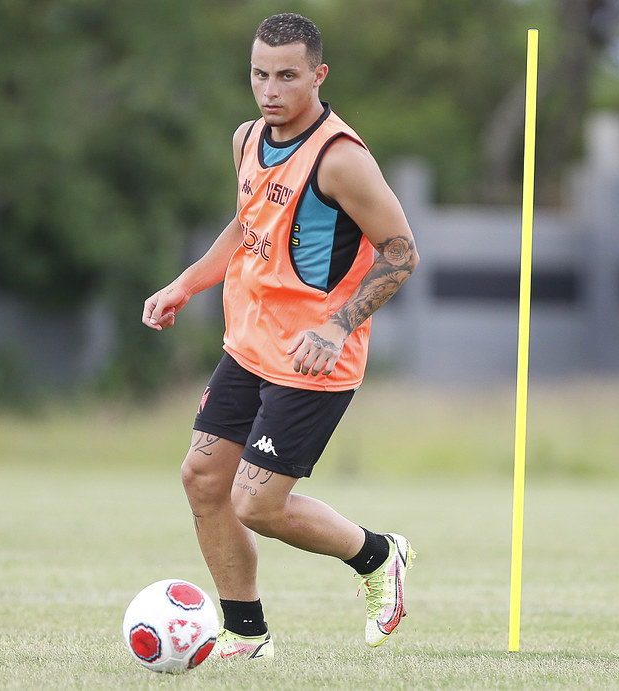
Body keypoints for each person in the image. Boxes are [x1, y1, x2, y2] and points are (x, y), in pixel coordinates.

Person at [142, 12, 419, 658]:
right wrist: (187, 282)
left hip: (313, 359)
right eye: (259, 74)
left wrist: (337, 325)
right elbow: (248, 225)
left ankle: (379, 556)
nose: (270, 89)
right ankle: (246, 633)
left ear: (319, 76)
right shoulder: (247, 139)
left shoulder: (341, 159)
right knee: (202, 480)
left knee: (256, 505)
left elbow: (402, 252)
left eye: (287, 76)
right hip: (250, 345)